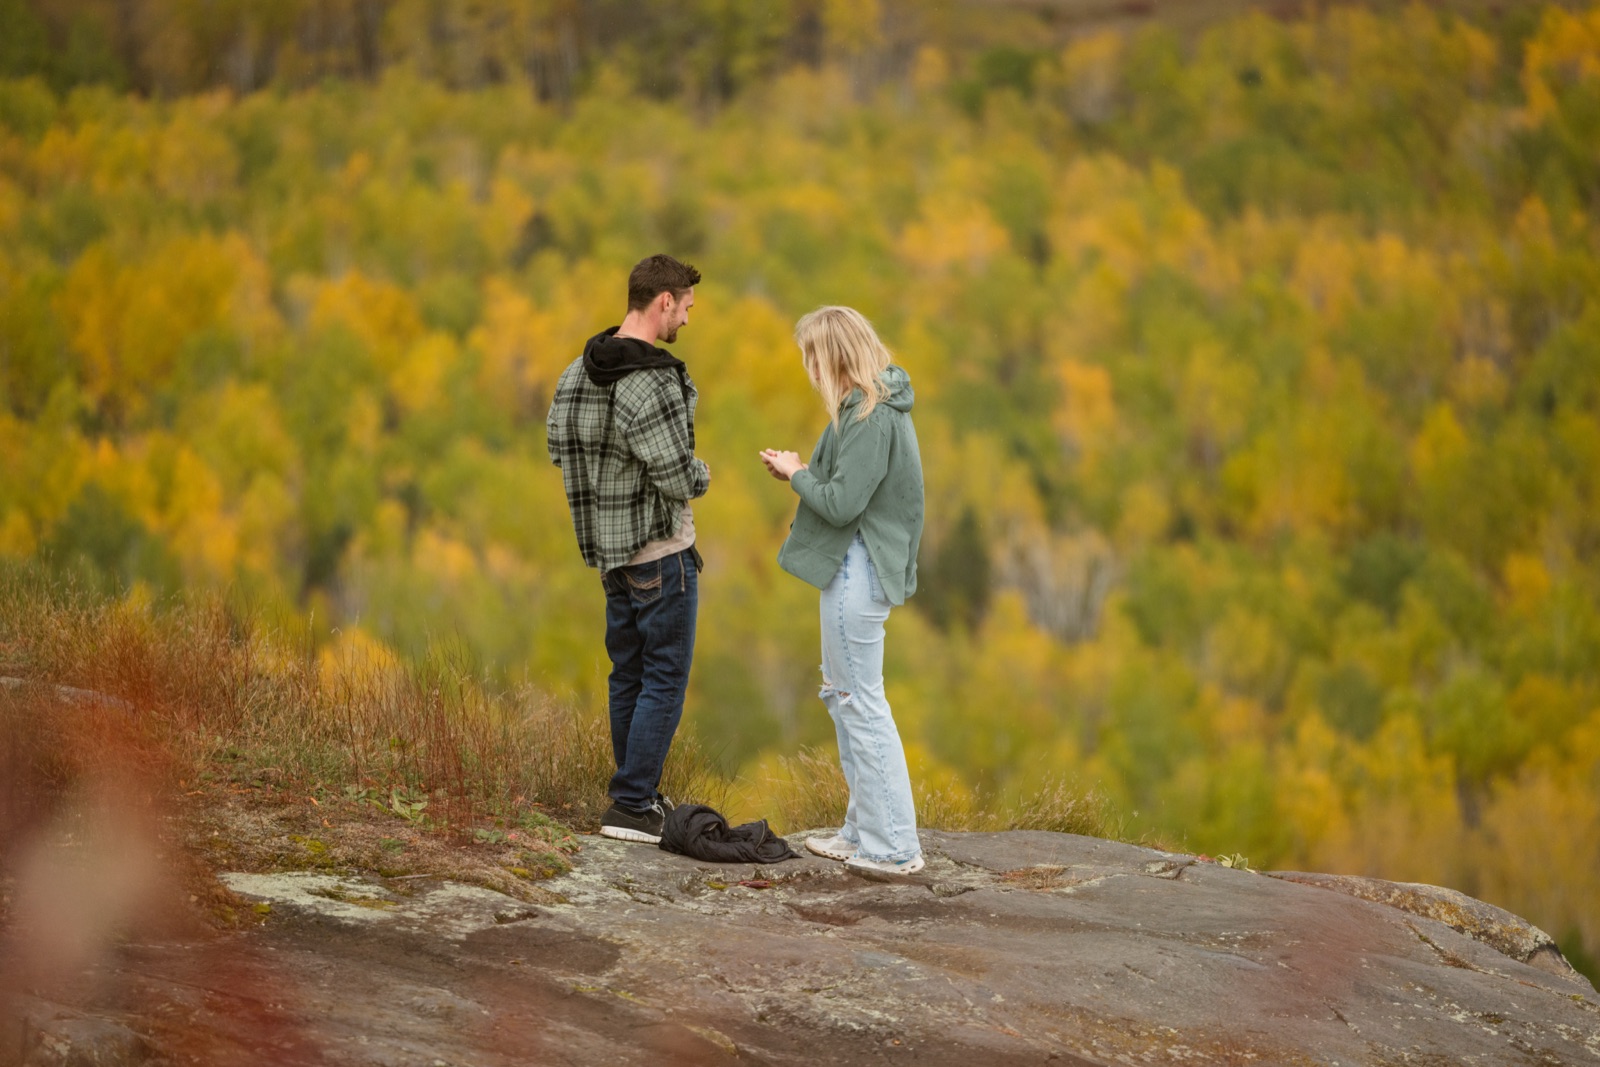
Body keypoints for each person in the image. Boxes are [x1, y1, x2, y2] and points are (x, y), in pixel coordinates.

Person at [547, 254, 709, 844]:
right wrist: (704, 473)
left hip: (609, 557)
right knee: (664, 678)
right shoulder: (651, 381)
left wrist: (606, 490)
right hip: (661, 554)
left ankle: (633, 795)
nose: (687, 320)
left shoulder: (577, 371)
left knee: (628, 675)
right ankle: (633, 803)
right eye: (686, 307)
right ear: (663, 301)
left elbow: (557, 445)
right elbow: (677, 475)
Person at [759, 306, 926, 876]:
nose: (809, 367)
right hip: (852, 565)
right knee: (843, 696)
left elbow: (841, 502)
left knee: (860, 703)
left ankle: (895, 847)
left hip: (860, 567)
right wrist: (803, 469)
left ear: (832, 355)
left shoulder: (870, 417)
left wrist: (795, 474)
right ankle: (863, 832)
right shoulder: (863, 410)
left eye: (812, 354)